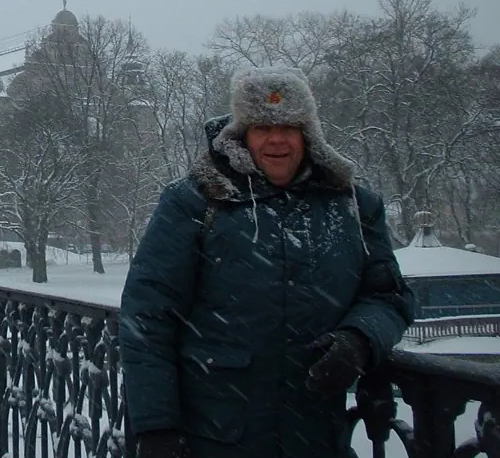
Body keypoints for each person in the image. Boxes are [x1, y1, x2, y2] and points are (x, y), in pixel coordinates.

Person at [120, 66, 414, 458]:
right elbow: (148, 317)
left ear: (308, 135)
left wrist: (359, 339)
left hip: (317, 436)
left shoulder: (353, 206)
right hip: (216, 438)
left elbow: (390, 296)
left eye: (290, 127)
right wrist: (156, 427)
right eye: (262, 127)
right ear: (242, 137)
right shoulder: (195, 202)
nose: (277, 140)